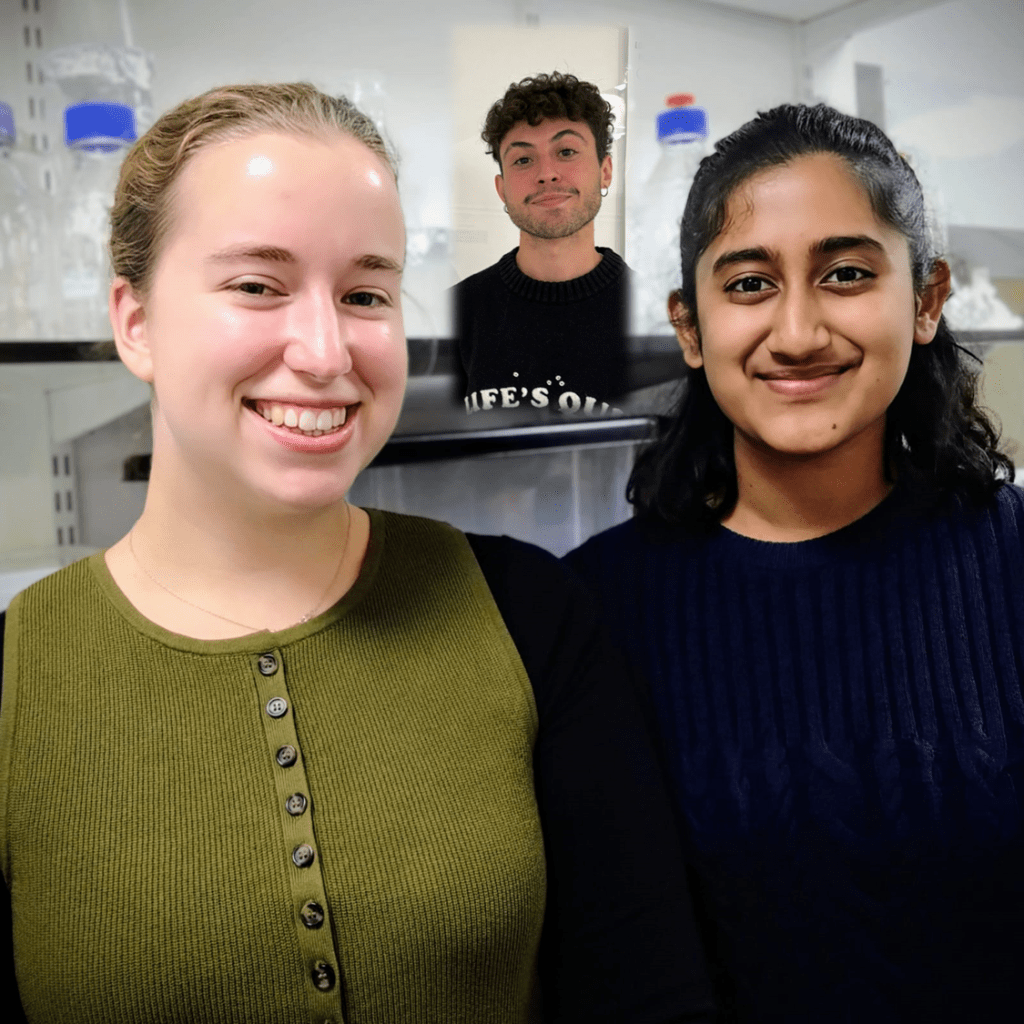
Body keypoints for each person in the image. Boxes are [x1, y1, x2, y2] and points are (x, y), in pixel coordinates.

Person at [0, 83, 715, 1024]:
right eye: (257, 285)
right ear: (136, 321)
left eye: (366, 293)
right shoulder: (15, 678)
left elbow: (649, 997)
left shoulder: (531, 615)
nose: (326, 352)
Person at [567, 103, 1023, 1023]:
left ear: (926, 300)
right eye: (749, 284)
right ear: (690, 328)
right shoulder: (595, 612)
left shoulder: (1011, 560)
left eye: (846, 274)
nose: (800, 331)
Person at [454, 72, 630, 418]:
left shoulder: (661, 318)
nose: (546, 173)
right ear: (502, 189)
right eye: (523, 159)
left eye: (566, 151)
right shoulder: (456, 313)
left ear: (605, 171)